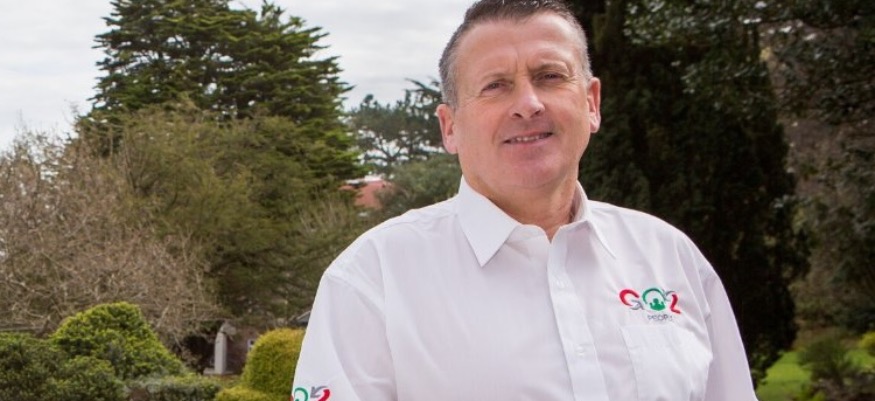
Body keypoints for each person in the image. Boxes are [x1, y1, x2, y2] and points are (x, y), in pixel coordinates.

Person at [292, 0, 759, 400]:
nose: (528, 104)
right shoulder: (373, 279)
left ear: (592, 103)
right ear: (450, 127)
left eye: (550, 76)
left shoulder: (669, 257)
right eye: (495, 85)